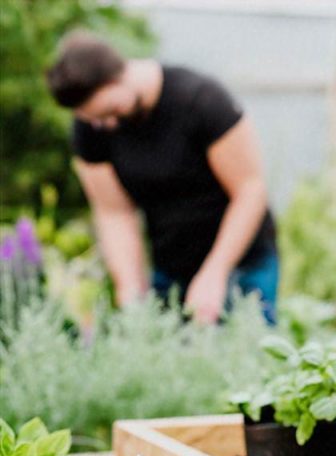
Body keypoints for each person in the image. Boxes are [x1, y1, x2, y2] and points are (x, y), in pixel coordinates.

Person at [45, 31, 278, 324]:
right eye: (93, 119)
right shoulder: (92, 129)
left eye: (110, 111)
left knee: (249, 357)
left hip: (243, 263)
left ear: (117, 77)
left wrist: (215, 273)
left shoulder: (201, 100)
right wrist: (130, 289)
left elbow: (250, 190)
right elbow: (114, 212)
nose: (105, 124)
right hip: (171, 266)